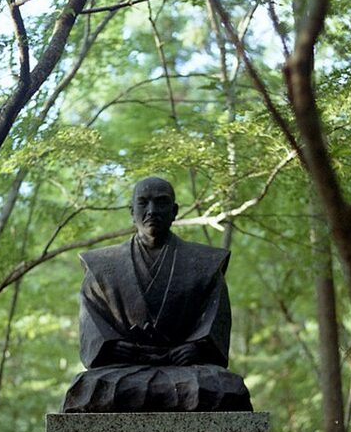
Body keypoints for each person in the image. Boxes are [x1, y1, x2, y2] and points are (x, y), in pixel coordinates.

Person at [62, 177, 252, 412]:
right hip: (124, 369)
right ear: (132, 211)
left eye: (161, 203)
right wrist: (112, 347)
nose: (152, 211)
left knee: (224, 387)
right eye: (143, 203)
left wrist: (197, 348)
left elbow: (215, 321)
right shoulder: (102, 265)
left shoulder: (204, 263)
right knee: (89, 388)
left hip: (187, 368)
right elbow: (92, 322)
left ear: (174, 211)